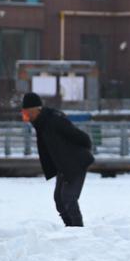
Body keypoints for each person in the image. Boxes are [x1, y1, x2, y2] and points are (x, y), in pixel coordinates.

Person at [20, 92, 94, 227]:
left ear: (37, 109)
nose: (27, 117)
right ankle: (70, 228)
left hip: (76, 163)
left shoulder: (53, 119)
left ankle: (79, 233)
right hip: (63, 165)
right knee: (59, 200)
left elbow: (78, 135)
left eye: (28, 113)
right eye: (24, 114)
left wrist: (84, 147)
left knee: (69, 198)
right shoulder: (40, 123)